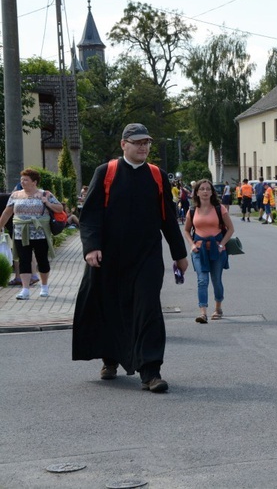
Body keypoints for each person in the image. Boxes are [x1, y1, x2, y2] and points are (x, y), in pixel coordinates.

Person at [72, 122, 188, 393]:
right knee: (109, 307)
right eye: (138, 143)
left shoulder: (158, 175)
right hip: (110, 258)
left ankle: (151, 372)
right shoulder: (107, 172)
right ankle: (110, 360)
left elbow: (168, 219)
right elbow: (90, 217)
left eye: (146, 142)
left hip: (146, 257)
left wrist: (179, 254)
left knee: (148, 309)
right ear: (124, 145)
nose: (144, 147)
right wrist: (91, 247)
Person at [0, 168, 64, 299]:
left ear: (34, 182)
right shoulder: (15, 195)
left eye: (26, 180)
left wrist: (48, 203)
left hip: (40, 233)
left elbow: (60, 208)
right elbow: (7, 213)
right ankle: (25, 290)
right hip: (20, 233)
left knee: (42, 260)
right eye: (22, 179)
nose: (22, 182)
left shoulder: (45, 194)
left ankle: (44, 287)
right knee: (24, 260)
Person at [183, 179, 234, 324]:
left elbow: (230, 229)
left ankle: (218, 308)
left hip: (217, 250)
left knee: (216, 280)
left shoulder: (219, 209)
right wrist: (192, 245)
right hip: (199, 250)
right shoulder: (192, 211)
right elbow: (186, 230)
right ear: (197, 192)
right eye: (202, 189)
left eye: (208, 189)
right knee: (202, 280)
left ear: (212, 192)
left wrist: (221, 245)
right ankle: (203, 312)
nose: (205, 192)